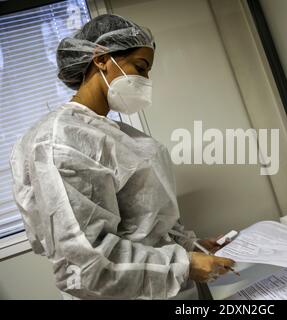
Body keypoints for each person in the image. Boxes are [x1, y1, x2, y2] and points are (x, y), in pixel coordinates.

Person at [9, 14, 235, 300]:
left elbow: (146, 221)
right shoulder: (59, 141)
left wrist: (192, 247)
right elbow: (83, 261)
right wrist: (184, 265)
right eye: (140, 67)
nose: (145, 79)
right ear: (102, 58)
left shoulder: (114, 133)